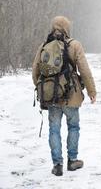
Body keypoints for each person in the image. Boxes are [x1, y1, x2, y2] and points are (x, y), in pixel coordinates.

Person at [32, 16, 96, 176]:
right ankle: (72, 161)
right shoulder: (74, 45)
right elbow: (85, 71)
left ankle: (57, 164)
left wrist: (45, 89)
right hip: (71, 96)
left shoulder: (44, 45)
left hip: (52, 99)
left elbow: (35, 72)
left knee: (54, 130)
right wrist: (91, 92)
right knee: (73, 127)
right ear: (67, 28)